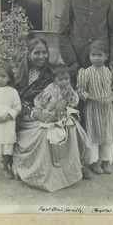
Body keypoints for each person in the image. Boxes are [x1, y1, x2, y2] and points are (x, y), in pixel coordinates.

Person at [13, 38, 92, 193]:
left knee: (70, 125)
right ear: (29, 54)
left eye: (44, 52)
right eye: (37, 53)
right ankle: (42, 173)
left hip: (55, 112)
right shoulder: (21, 76)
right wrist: (36, 114)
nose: (41, 56)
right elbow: (16, 101)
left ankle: (77, 167)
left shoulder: (54, 73)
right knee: (44, 133)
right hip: (30, 115)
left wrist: (63, 101)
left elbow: (68, 91)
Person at [76, 40, 113, 175]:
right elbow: (80, 90)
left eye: (99, 55)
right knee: (93, 134)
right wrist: (95, 99)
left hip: (108, 109)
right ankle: (94, 162)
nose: (96, 58)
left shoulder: (110, 72)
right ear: (89, 57)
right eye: (93, 55)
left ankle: (106, 161)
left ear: (106, 56)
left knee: (109, 133)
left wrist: (110, 98)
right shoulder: (85, 73)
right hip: (93, 108)